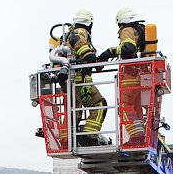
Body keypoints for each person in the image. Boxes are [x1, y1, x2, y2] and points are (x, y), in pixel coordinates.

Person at [97, 8, 147, 145]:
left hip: (130, 74)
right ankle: (140, 136)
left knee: (125, 107)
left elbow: (128, 49)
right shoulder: (140, 30)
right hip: (141, 75)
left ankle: (136, 137)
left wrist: (110, 52)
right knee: (135, 108)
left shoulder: (127, 30)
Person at [62, 9, 108, 146]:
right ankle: (89, 136)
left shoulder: (68, 33)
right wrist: (90, 56)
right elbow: (78, 42)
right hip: (79, 80)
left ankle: (68, 138)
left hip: (71, 81)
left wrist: (96, 62)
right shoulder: (80, 32)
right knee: (100, 105)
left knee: (74, 111)